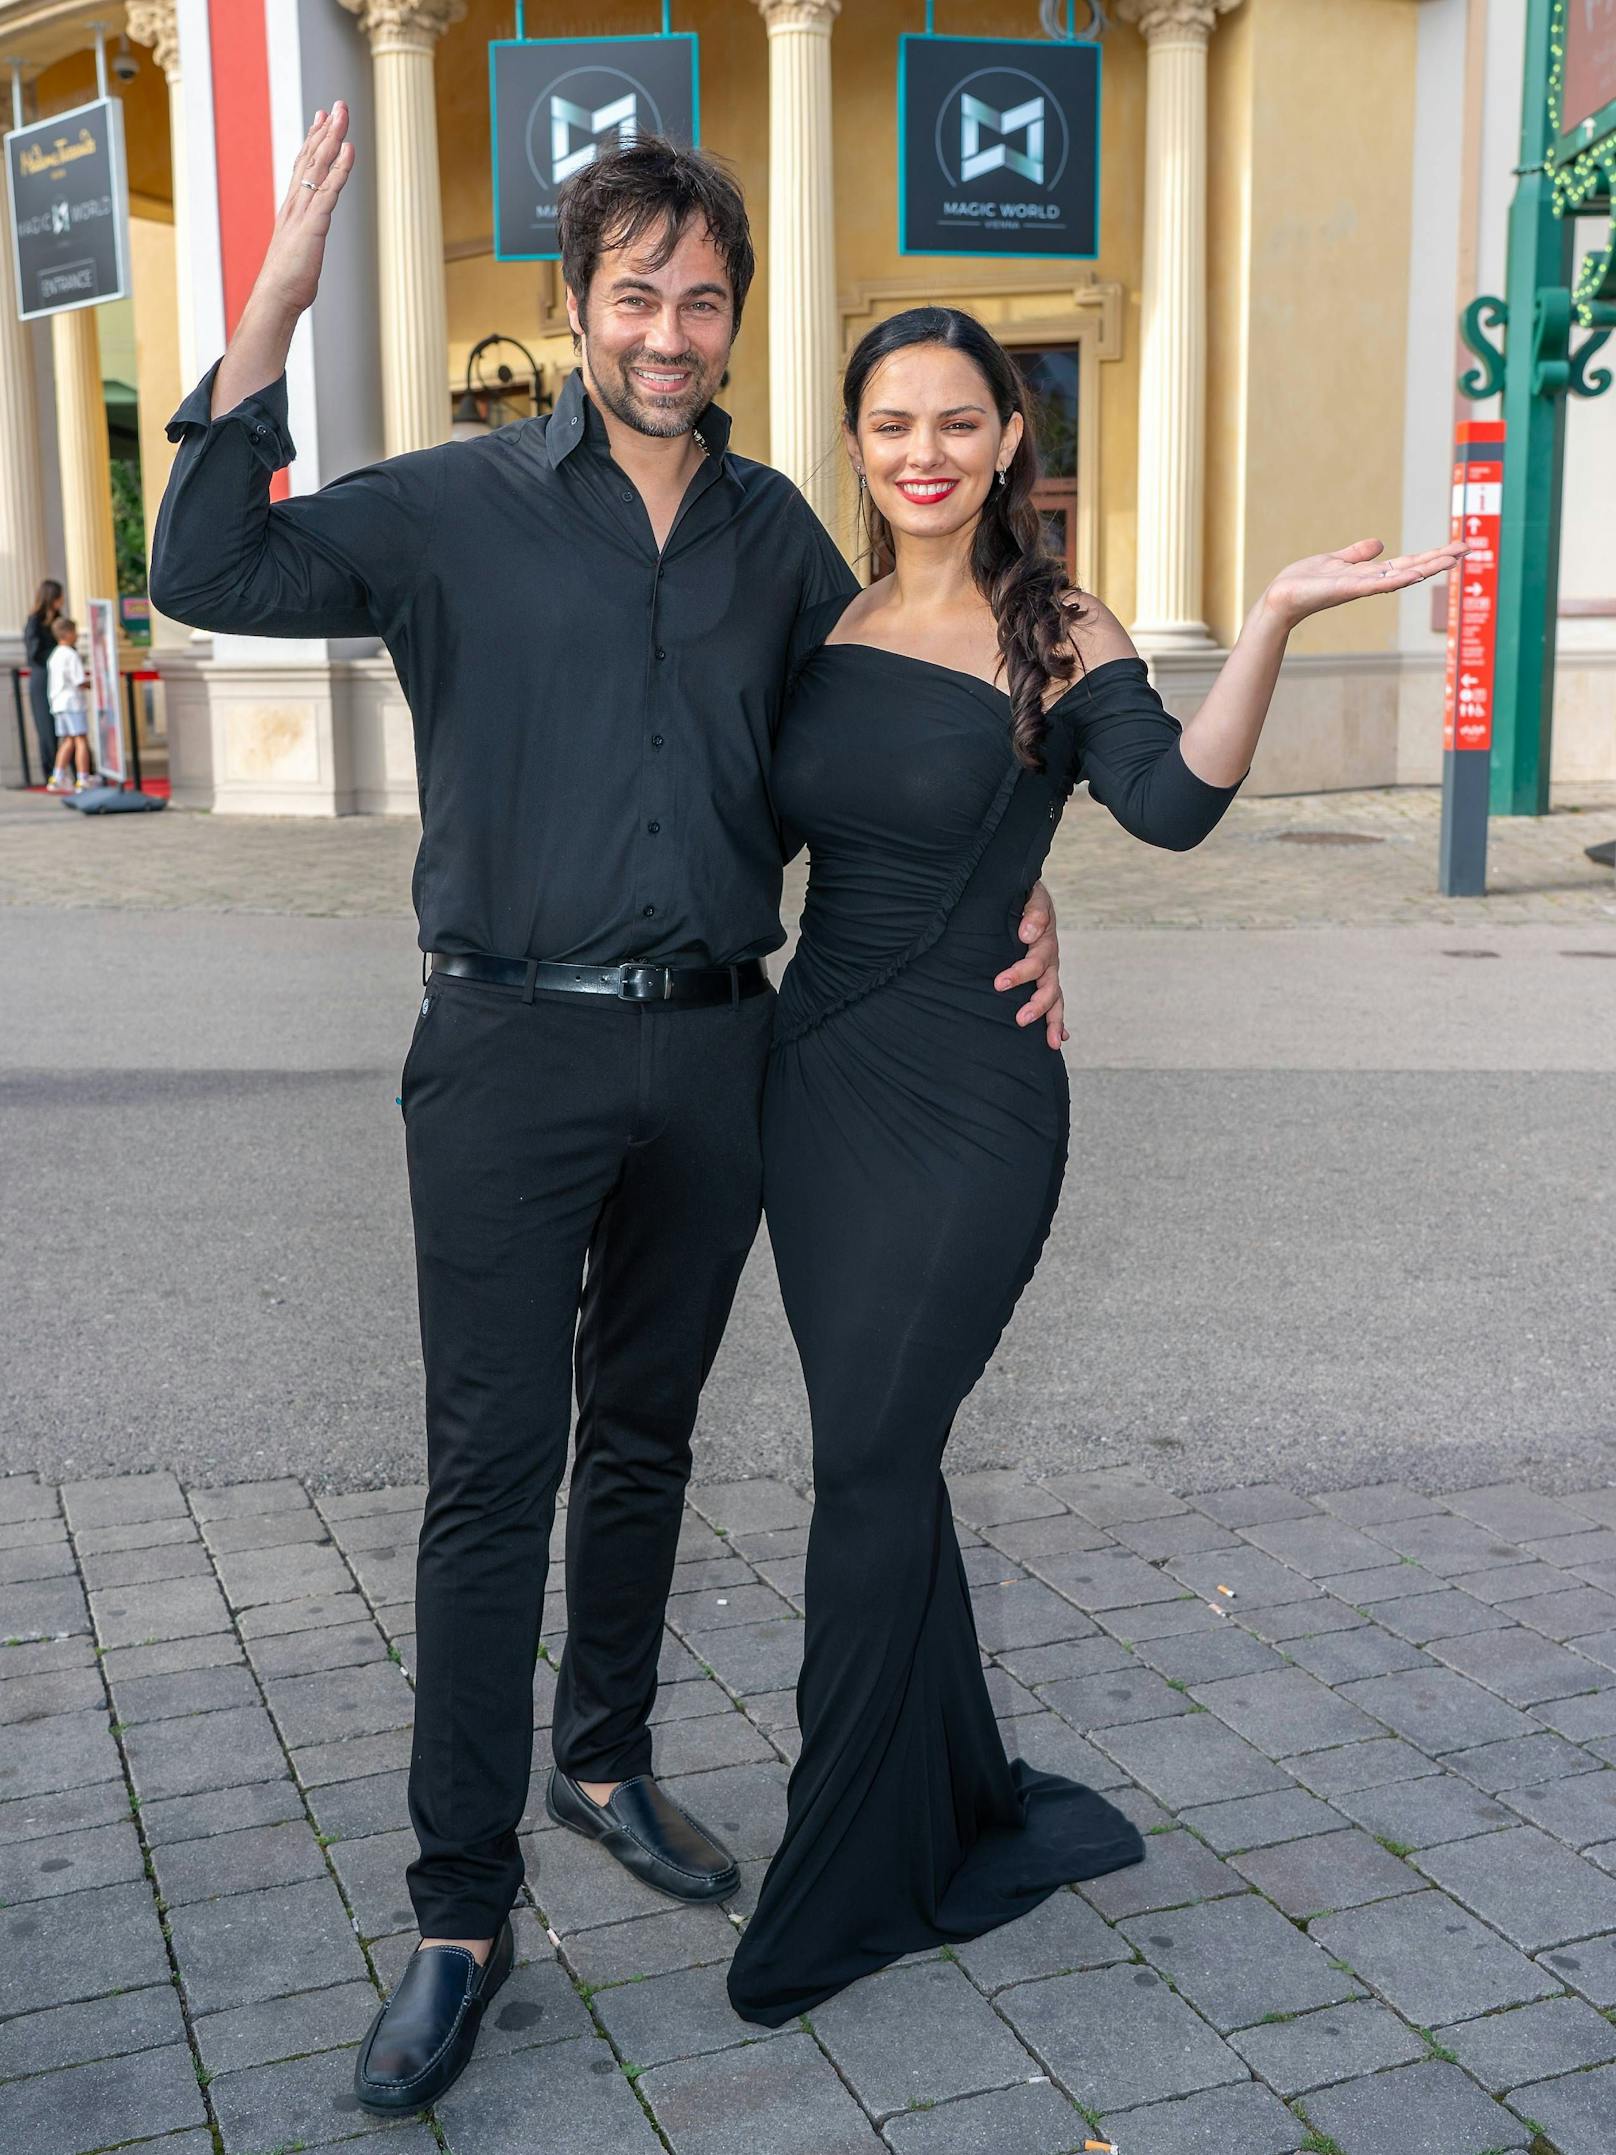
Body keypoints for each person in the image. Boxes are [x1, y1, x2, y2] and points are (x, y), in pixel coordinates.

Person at [146, 117, 1066, 2113]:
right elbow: (200, 561)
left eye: (702, 297)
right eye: (634, 292)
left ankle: (606, 1761)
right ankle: (459, 1911)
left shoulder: (776, 539)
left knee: (644, 1427)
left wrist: (1023, 879)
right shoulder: (450, 507)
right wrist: (277, 305)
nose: (669, 329)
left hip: (723, 1052)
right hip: (506, 1051)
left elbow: (908, 716)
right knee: (495, 1474)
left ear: (734, 323)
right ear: (572, 309)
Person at [723, 306, 1472, 2025]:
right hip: (815, 1080)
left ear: (1007, 441)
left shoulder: (1051, 626)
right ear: (856, 440)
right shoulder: (820, 616)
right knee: (877, 1459)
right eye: (893, 423)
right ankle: (943, 1798)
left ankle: (839, 1877)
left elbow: (1173, 805)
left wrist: (1271, 617)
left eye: (959, 423)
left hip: (976, 1098)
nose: (925, 452)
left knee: (867, 1467)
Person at [44, 615, 91, 794]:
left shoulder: (54, 655)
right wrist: (94, 683)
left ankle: (57, 776)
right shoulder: (71, 655)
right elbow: (79, 680)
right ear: (68, 633)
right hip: (72, 702)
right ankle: (83, 778)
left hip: (58, 703)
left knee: (68, 740)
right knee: (80, 739)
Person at [23, 578, 63, 784]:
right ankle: (50, 772)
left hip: (57, 677)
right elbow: (34, 653)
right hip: (41, 678)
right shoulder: (35, 620)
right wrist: (59, 654)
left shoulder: (58, 618)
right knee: (46, 727)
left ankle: (63, 770)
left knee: (62, 726)